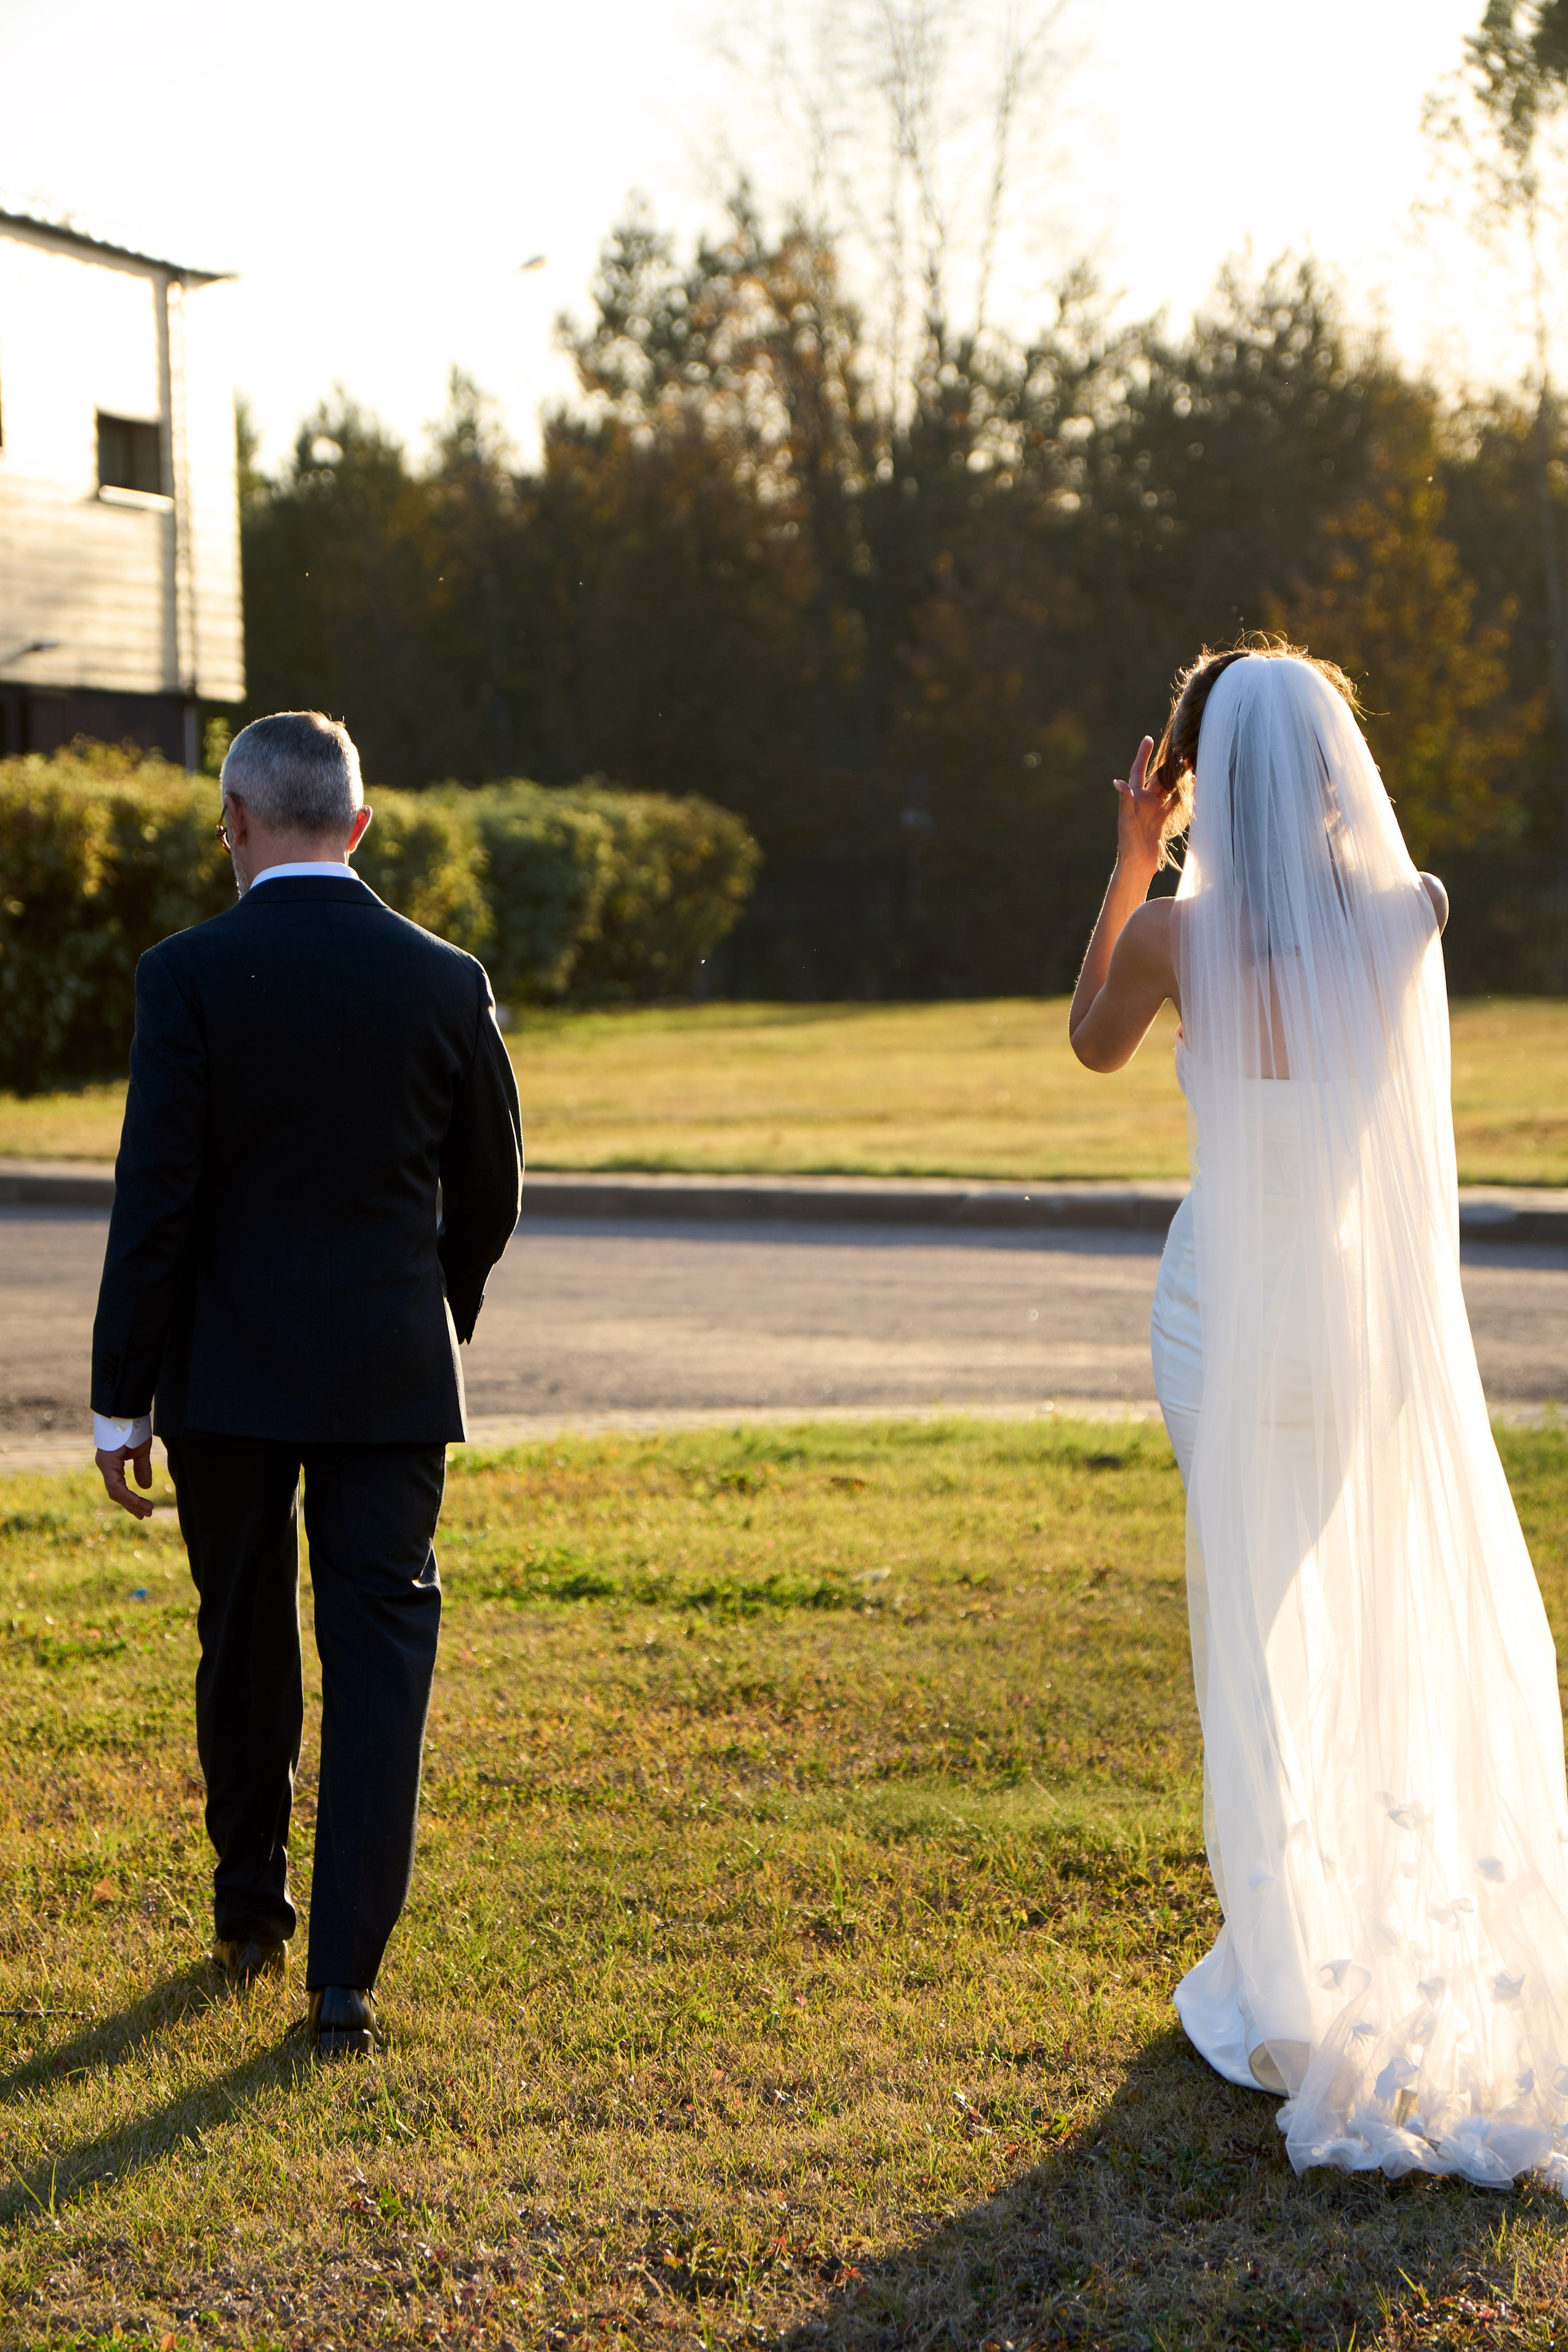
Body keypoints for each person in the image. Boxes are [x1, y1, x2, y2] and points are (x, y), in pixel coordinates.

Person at [1069, 643, 1568, 2187]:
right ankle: (1348, 1931)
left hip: (1222, 1310)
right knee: (1341, 1610)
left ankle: (1286, 1967)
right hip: (1352, 1319)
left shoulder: (1171, 936)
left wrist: (1130, 858)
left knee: (1258, 1625)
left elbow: (1090, 1040)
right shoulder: (1409, 916)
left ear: (1196, 778)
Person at [90, 710, 522, 2059]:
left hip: (224, 1376)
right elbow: (492, 1187)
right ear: (361, 824)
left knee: (242, 1632)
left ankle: (249, 1909)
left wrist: (121, 1397)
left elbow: (155, 1199)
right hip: (391, 1371)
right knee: (382, 1653)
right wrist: (434, 1307)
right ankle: (344, 1977)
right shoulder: (446, 978)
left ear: (233, 823)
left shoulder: (185, 974)